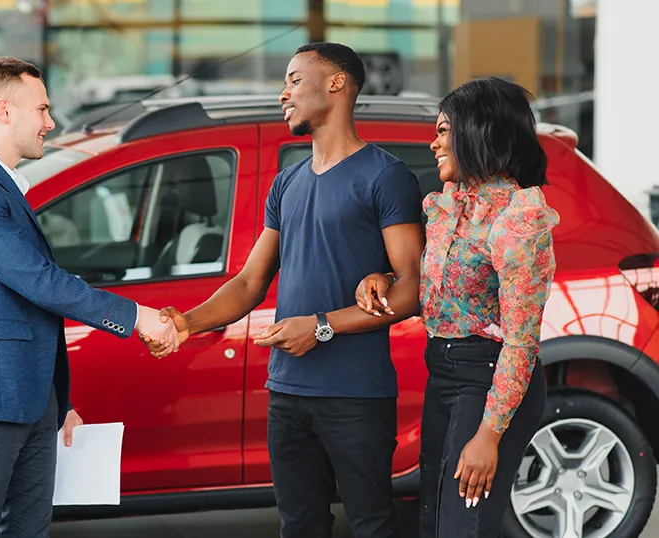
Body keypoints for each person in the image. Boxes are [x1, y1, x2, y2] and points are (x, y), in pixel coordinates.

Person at [142, 42, 425, 538]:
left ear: (336, 84)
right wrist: (186, 323)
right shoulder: (287, 183)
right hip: (287, 395)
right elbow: (251, 282)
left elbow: (410, 290)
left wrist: (321, 328)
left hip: (355, 397)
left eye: (295, 80)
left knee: (372, 526)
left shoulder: (386, 177)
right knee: (299, 526)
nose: (283, 94)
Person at [0, 56, 179, 538]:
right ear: (4, 110)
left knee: (27, 531)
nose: (51, 122)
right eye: (41, 109)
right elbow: (39, 281)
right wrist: (136, 316)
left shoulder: (1, 185)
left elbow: (28, 301)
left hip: (27, 399)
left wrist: (57, 402)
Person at [354, 77, 558, 537]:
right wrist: (382, 278)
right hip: (444, 372)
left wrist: (489, 435)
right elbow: (438, 289)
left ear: (478, 131)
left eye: (443, 131)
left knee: (463, 527)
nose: (433, 144)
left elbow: (521, 343)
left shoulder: (518, 219)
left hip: (489, 380)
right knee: (435, 520)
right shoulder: (453, 205)